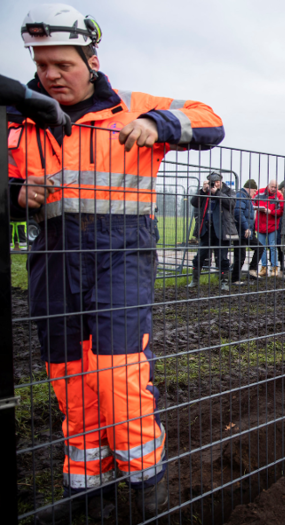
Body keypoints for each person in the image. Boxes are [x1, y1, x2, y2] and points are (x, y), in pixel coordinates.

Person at [7, 5, 224, 522]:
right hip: (54, 258)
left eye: (63, 64)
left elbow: (210, 118)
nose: (51, 75)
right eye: (42, 65)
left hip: (121, 255)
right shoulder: (19, 119)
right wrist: (15, 195)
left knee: (117, 374)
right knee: (69, 378)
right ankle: (87, 489)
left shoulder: (131, 106)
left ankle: (147, 480)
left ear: (92, 59)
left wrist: (159, 123)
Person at [188, 172, 238, 292]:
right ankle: (194, 280)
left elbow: (231, 203)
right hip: (206, 229)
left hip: (222, 230)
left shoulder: (228, 191)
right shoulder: (205, 192)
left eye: (216, 182)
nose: (214, 184)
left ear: (221, 181)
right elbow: (194, 202)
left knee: (222, 258)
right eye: (212, 182)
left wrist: (217, 193)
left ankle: (224, 282)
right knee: (200, 256)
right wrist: (202, 191)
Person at [232, 179, 264, 283]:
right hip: (241, 232)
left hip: (247, 232)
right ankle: (235, 279)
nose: (255, 194)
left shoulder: (246, 197)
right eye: (254, 191)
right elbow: (238, 213)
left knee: (259, 247)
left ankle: (252, 270)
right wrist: (246, 227)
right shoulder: (241, 196)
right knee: (240, 256)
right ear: (250, 189)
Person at [254, 180, 284, 277]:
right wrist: (257, 208)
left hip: (272, 225)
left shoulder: (279, 196)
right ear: (268, 185)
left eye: (276, 187)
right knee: (261, 247)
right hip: (260, 225)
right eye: (272, 187)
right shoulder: (259, 192)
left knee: (273, 247)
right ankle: (264, 267)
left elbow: (281, 211)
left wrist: (270, 212)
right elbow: (252, 203)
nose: (274, 189)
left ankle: (274, 267)